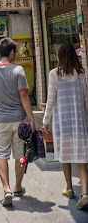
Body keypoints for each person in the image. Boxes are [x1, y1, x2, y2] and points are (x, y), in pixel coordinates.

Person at [0, 37, 35, 208]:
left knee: (1, 155)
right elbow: (24, 96)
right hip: (18, 121)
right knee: (20, 156)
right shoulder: (18, 71)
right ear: (11, 52)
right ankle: (18, 187)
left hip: (0, 121)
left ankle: (6, 189)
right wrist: (32, 119)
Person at [43, 42, 88, 210]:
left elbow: (50, 100)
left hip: (62, 121)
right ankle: (84, 193)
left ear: (60, 57)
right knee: (81, 157)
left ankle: (69, 188)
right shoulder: (82, 74)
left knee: (65, 154)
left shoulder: (55, 74)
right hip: (79, 120)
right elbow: (86, 99)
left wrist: (45, 121)